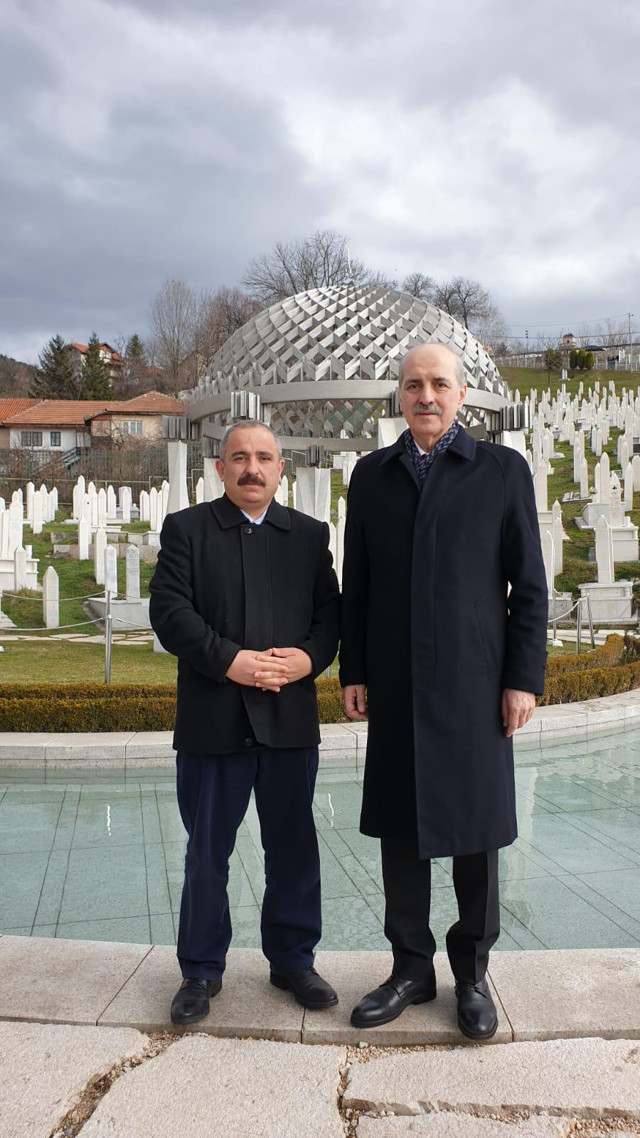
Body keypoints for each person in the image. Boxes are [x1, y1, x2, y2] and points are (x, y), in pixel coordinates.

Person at [339, 343, 547, 1040]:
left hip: (475, 686)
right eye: (412, 385)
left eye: (438, 384)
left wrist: (522, 679)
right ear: (398, 396)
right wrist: (355, 670)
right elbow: (357, 586)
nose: (425, 395)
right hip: (396, 685)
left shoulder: (500, 471)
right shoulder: (372, 476)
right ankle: (409, 968)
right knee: (401, 831)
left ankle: (473, 974)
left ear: (462, 395)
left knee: (476, 838)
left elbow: (531, 586)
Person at [149, 420, 340, 1026]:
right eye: (239, 458)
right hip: (214, 722)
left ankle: (292, 960)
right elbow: (170, 612)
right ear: (220, 469)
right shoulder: (187, 530)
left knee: (293, 848)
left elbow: (330, 615)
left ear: (281, 469)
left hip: (288, 719)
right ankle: (201, 970)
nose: (252, 468)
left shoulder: (309, 536)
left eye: (264, 458)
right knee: (208, 852)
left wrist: (310, 658)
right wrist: (230, 661)